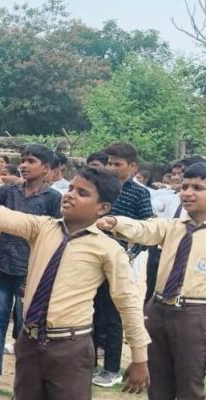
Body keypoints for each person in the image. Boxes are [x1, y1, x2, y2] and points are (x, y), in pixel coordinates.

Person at [0, 167, 151, 399]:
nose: (69, 195)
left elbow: (128, 303)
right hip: (29, 340)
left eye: (82, 193)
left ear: (102, 208)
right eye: (70, 188)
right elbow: (8, 217)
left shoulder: (108, 249)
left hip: (70, 347)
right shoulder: (43, 228)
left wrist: (139, 357)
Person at [97, 161, 206, 400]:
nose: (187, 193)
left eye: (197, 188)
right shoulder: (173, 226)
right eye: (184, 186)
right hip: (158, 309)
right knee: (157, 380)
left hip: (195, 314)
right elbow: (144, 229)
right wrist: (115, 222)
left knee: (190, 381)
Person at [0, 144, 61, 394]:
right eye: (23, 160)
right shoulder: (10, 191)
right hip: (4, 268)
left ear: (46, 168)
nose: (24, 165)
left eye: (31, 161)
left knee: (27, 328)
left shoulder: (53, 199)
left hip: (31, 274)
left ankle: (26, 384)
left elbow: (57, 238)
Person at [92, 141, 154, 388]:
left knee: (112, 317)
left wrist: (130, 253)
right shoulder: (101, 188)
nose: (111, 168)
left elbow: (148, 231)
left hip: (118, 263)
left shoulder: (140, 194)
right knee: (91, 314)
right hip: (93, 259)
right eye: (109, 163)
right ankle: (89, 364)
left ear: (133, 166)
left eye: (117, 164)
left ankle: (111, 369)